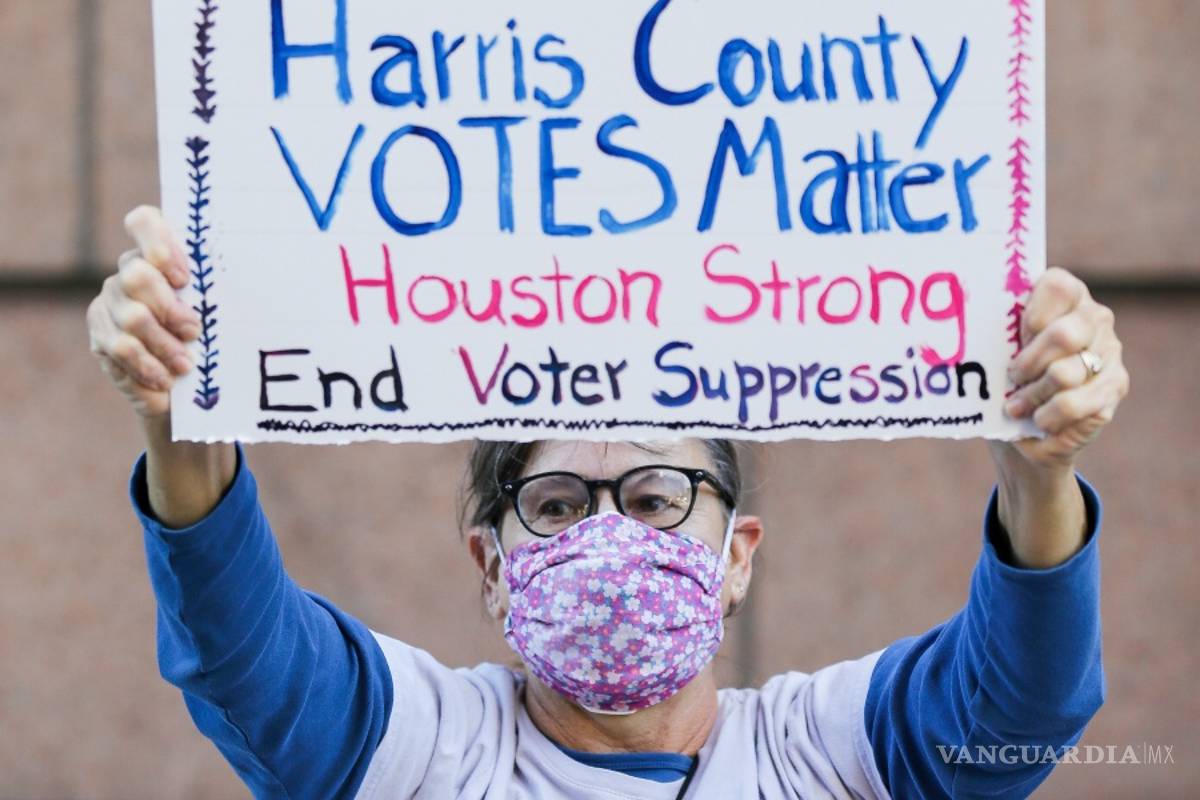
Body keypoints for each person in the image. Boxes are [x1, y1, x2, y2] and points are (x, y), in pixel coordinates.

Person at [87, 206, 1129, 799]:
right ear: (491, 562)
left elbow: (1018, 704)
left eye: (655, 493)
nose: (606, 534)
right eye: (550, 503)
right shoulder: (421, 753)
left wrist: (1037, 468)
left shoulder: (828, 754)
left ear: (738, 554)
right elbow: (246, 658)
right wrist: (184, 414)